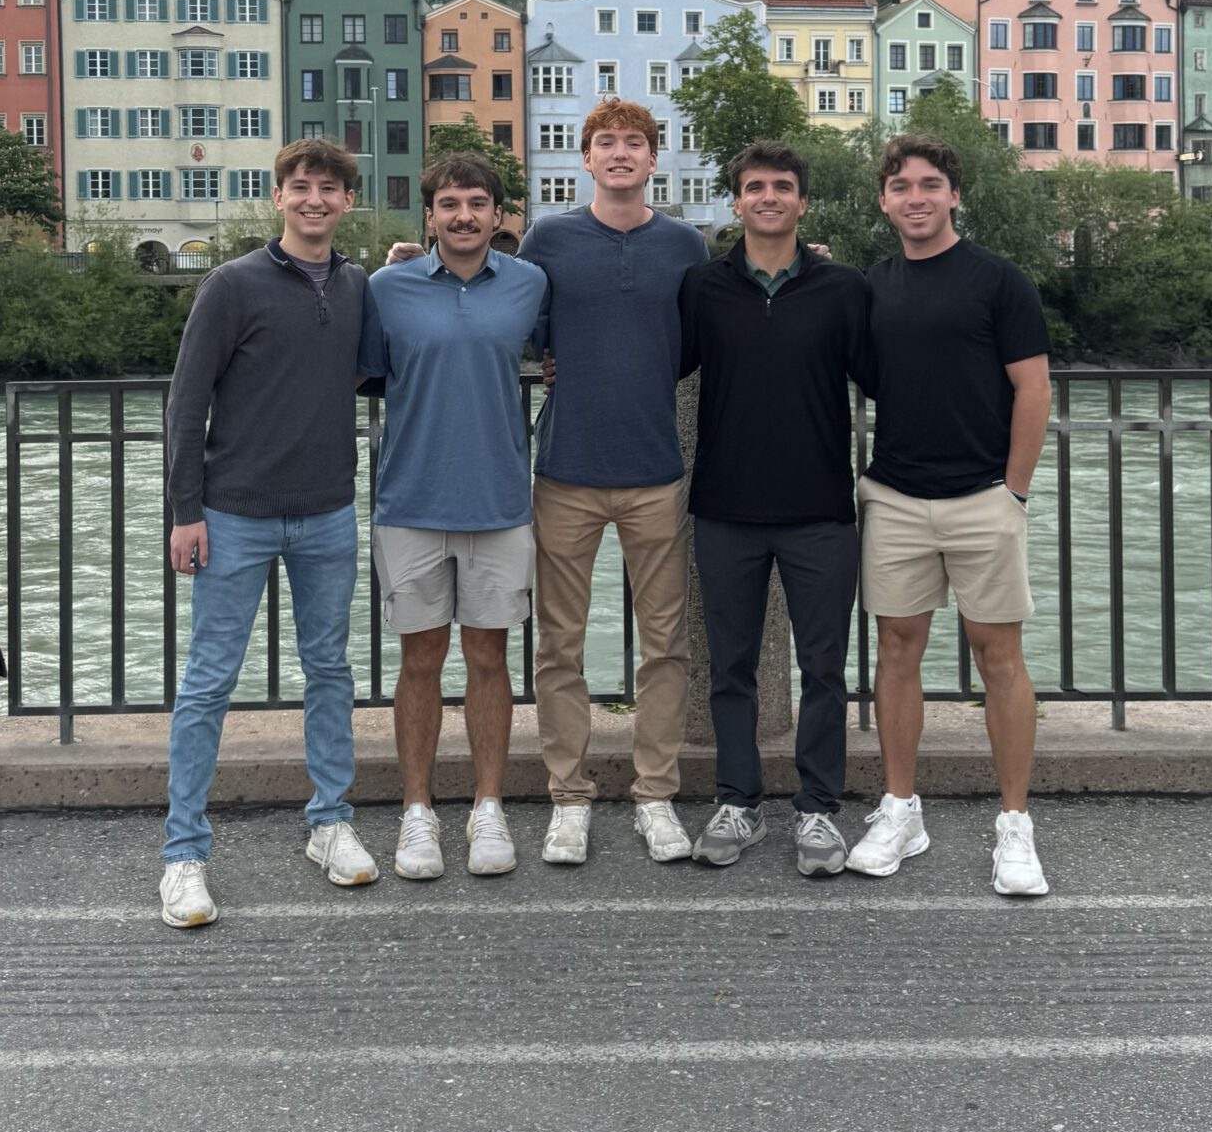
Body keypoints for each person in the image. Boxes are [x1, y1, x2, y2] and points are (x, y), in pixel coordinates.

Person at [159, 137, 383, 927]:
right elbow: (186, 404)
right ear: (278, 197)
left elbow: (382, 368)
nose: (315, 200)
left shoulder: (359, 286)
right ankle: (184, 854)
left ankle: (330, 823)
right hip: (233, 513)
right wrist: (185, 511)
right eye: (301, 187)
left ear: (344, 201)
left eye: (328, 189)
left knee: (330, 670)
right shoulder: (231, 285)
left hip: (326, 509)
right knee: (208, 683)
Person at [849, 134, 1053, 895]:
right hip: (896, 494)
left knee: (999, 657)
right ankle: (901, 809)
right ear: (885, 201)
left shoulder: (999, 282)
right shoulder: (872, 286)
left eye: (931, 184)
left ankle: (1014, 827)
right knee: (897, 651)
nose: (916, 197)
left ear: (954, 195)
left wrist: (1014, 492)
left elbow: (1033, 390)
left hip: (981, 497)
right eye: (901, 186)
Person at [519, 99, 708, 867]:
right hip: (564, 470)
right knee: (558, 646)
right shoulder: (549, 237)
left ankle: (655, 794)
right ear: (586, 159)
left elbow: (696, 344)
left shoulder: (684, 245)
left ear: (653, 159)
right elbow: (521, 328)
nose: (621, 154)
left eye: (635, 143)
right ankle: (569, 798)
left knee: (665, 645)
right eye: (607, 144)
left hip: (655, 471)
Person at [678, 141, 870, 875]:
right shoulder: (702, 287)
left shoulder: (843, 288)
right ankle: (739, 802)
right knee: (730, 665)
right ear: (735, 202)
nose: (768, 197)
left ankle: (818, 811)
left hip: (820, 508)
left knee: (824, 666)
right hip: (725, 506)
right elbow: (654, 360)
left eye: (782, 186)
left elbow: (889, 374)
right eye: (754, 186)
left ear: (801, 201)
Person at [368, 151, 550, 879]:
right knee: (419, 662)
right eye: (450, 204)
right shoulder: (386, 287)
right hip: (409, 500)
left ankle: (487, 807)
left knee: (488, 659)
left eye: (478, 203)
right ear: (431, 215)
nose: (464, 216)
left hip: (500, 500)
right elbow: (358, 373)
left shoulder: (531, 284)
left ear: (500, 216)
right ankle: (417, 812)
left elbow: (564, 349)